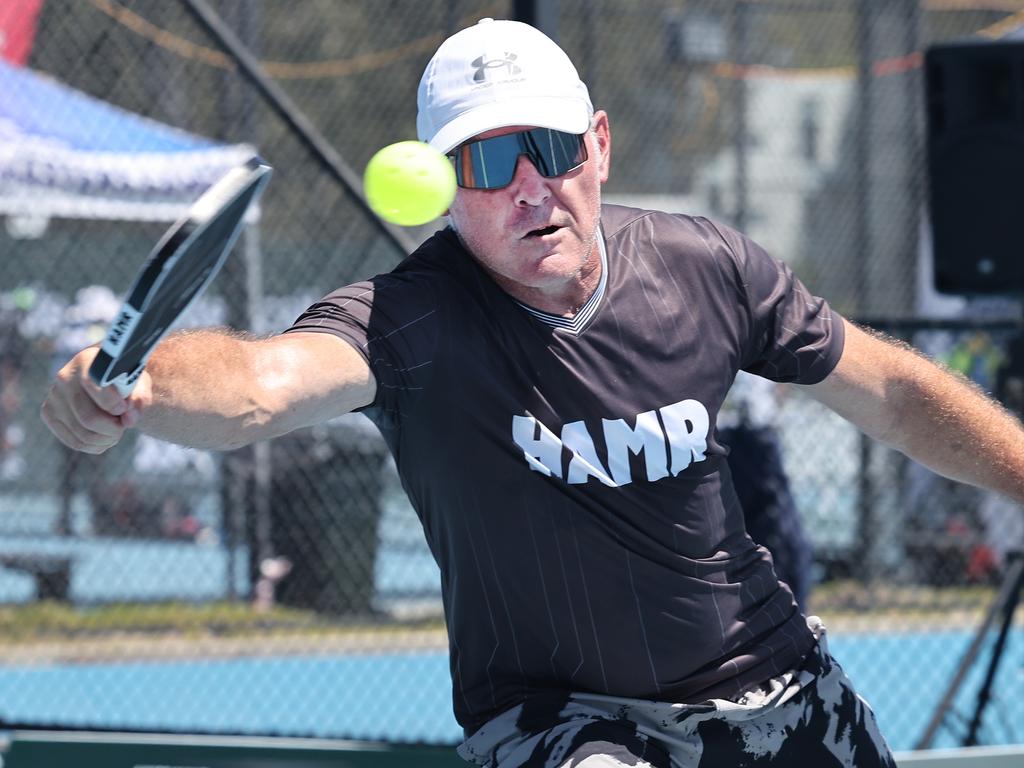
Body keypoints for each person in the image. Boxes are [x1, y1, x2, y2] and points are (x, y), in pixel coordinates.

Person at [41, 18, 1024, 768]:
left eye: (547, 150)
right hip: (562, 723)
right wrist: (138, 383)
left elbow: (890, 388)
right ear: (440, 183)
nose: (525, 187)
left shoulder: (709, 269)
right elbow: (258, 385)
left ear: (596, 146)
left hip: (776, 686)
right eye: (482, 161)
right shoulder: (409, 321)